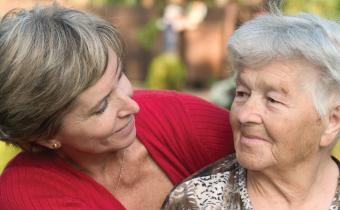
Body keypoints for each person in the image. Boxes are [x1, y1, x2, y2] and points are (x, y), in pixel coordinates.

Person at [0, 4, 235, 210]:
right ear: (44, 135)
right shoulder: (27, 194)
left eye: (119, 76)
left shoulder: (173, 114)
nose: (132, 106)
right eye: (101, 106)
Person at [162, 3, 340, 210]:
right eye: (242, 93)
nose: (245, 114)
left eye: (272, 100)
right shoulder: (196, 202)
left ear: (331, 121)